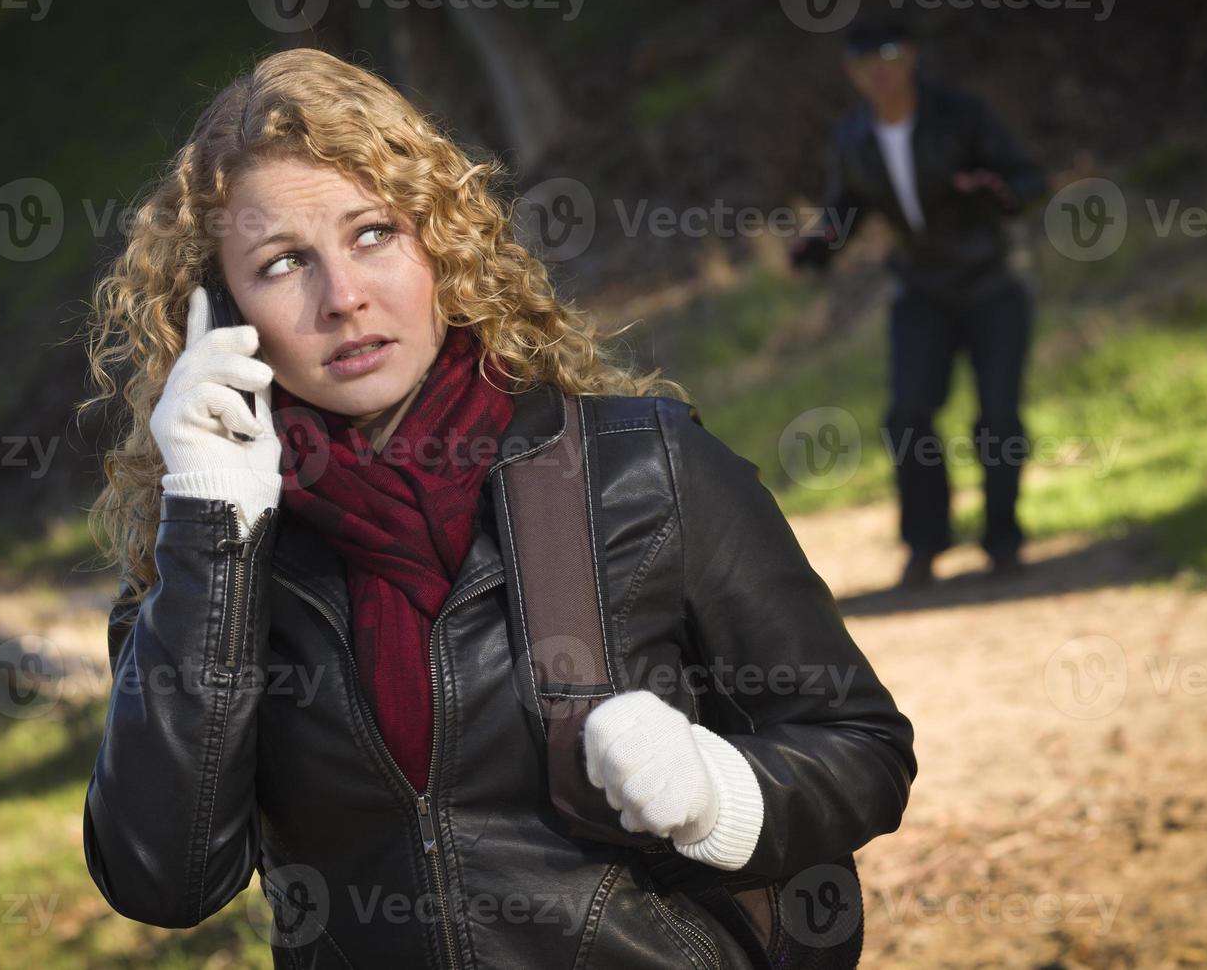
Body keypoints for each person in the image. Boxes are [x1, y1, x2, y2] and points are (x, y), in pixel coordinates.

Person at [79, 48, 916, 968]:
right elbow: (164, 879)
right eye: (283, 263)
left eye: (372, 234)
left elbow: (861, 751)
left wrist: (720, 794)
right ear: (220, 312)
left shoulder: (645, 468)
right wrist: (210, 532)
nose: (343, 296)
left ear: (440, 240)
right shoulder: (208, 552)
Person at [790, 23, 1047, 588]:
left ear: (909, 56)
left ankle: (1003, 540)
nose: (878, 71)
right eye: (864, 62)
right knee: (908, 415)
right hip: (922, 291)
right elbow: (846, 208)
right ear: (851, 72)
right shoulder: (853, 137)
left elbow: (1027, 179)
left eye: (888, 55)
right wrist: (819, 245)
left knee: (998, 416)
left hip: (991, 284)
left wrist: (1000, 192)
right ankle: (925, 546)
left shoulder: (960, 113)